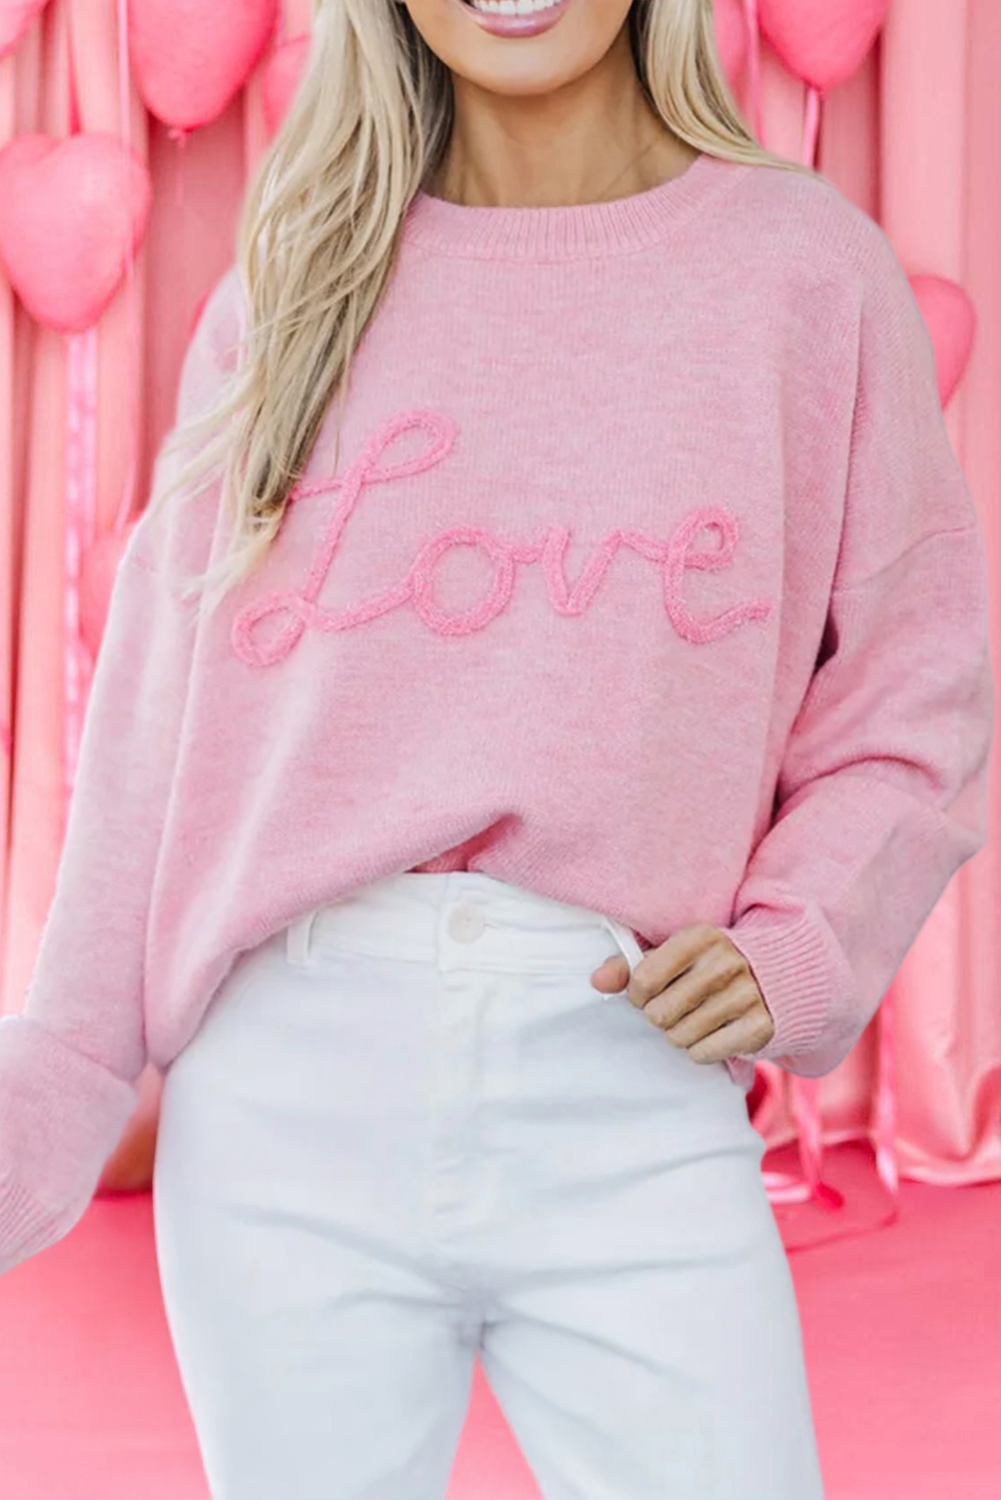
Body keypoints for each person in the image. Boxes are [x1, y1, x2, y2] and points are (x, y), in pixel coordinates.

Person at [0, 2, 993, 1497]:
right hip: (281, 1117)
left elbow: (917, 694)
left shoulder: (804, 276)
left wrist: (803, 936)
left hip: (627, 1073)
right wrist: (60, 1072)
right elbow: (154, 731)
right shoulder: (296, 282)